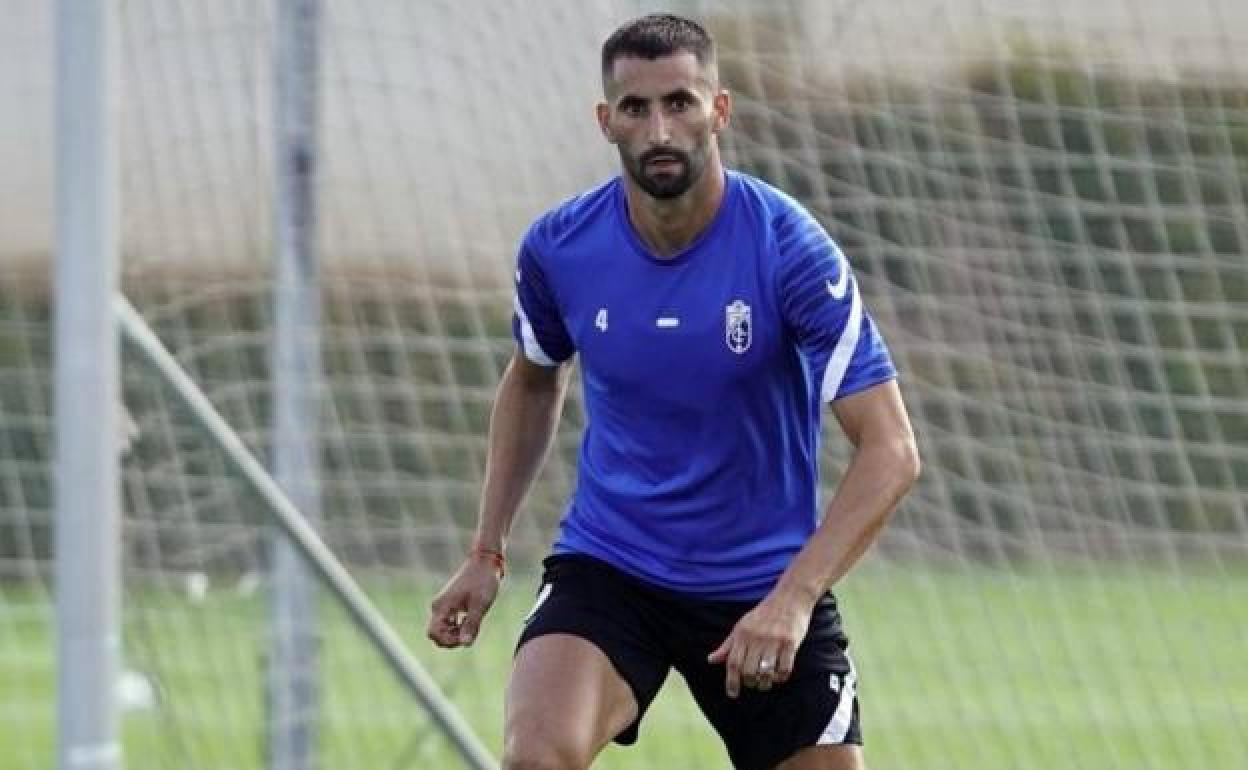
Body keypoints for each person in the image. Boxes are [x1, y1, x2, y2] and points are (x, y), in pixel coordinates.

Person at [427, 13, 920, 770]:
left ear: (719, 110)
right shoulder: (559, 248)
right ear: (606, 122)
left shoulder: (787, 248)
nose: (660, 128)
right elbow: (532, 378)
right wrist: (487, 551)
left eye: (680, 103)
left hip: (763, 582)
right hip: (612, 566)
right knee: (534, 759)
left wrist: (793, 601)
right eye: (636, 108)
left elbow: (890, 451)